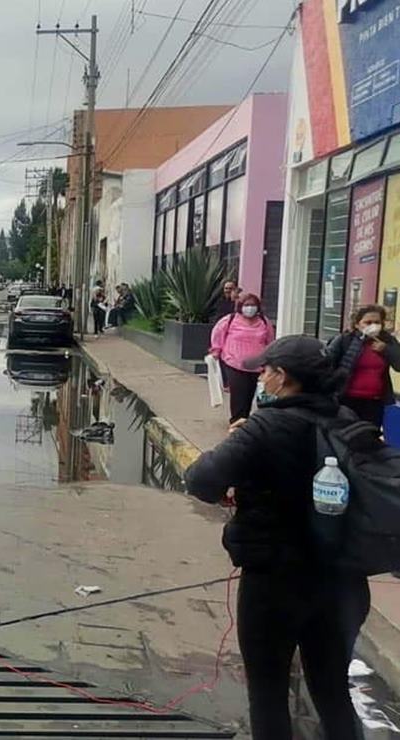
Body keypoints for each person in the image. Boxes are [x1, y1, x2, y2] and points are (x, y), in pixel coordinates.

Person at [185, 335, 367, 740]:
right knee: (333, 691)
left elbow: (200, 479)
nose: (261, 377)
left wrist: (238, 440)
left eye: (265, 371)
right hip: (343, 583)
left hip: (276, 584)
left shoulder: (265, 426)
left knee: (268, 696)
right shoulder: (350, 421)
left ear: (283, 378)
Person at [327, 304, 400, 428]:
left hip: (374, 402)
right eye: (368, 322)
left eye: (377, 322)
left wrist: (386, 350)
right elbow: (327, 363)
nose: (373, 326)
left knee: (369, 437)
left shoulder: (387, 341)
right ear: (357, 324)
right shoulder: (344, 340)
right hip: (347, 400)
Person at [209, 293, 275, 423]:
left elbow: (270, 340)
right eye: (247, 305)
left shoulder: (263, 322)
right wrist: (216, 351)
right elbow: (217, 335)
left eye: (253, 305)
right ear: (240, 306)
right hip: (234, 363)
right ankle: (236, 420)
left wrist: (269, 359)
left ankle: (245, 419)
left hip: (256, 366)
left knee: (250, 393)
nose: (250, 308)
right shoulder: (230, 320)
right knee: (239, 392)